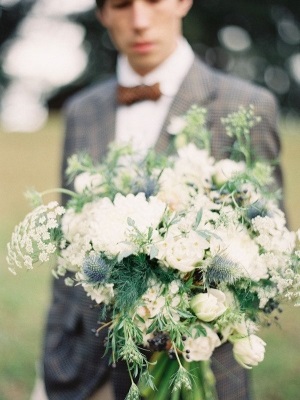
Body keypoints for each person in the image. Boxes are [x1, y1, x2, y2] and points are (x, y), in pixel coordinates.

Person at [39, 0, 283, 399]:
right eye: (121, 4)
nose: (139, 21)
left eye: (153, 0)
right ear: (102, 13)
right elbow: (66, 248)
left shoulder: (247, 106)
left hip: (198, 375)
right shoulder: (82, 111)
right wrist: (54, 356)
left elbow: (266, 252)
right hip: (85, 372)